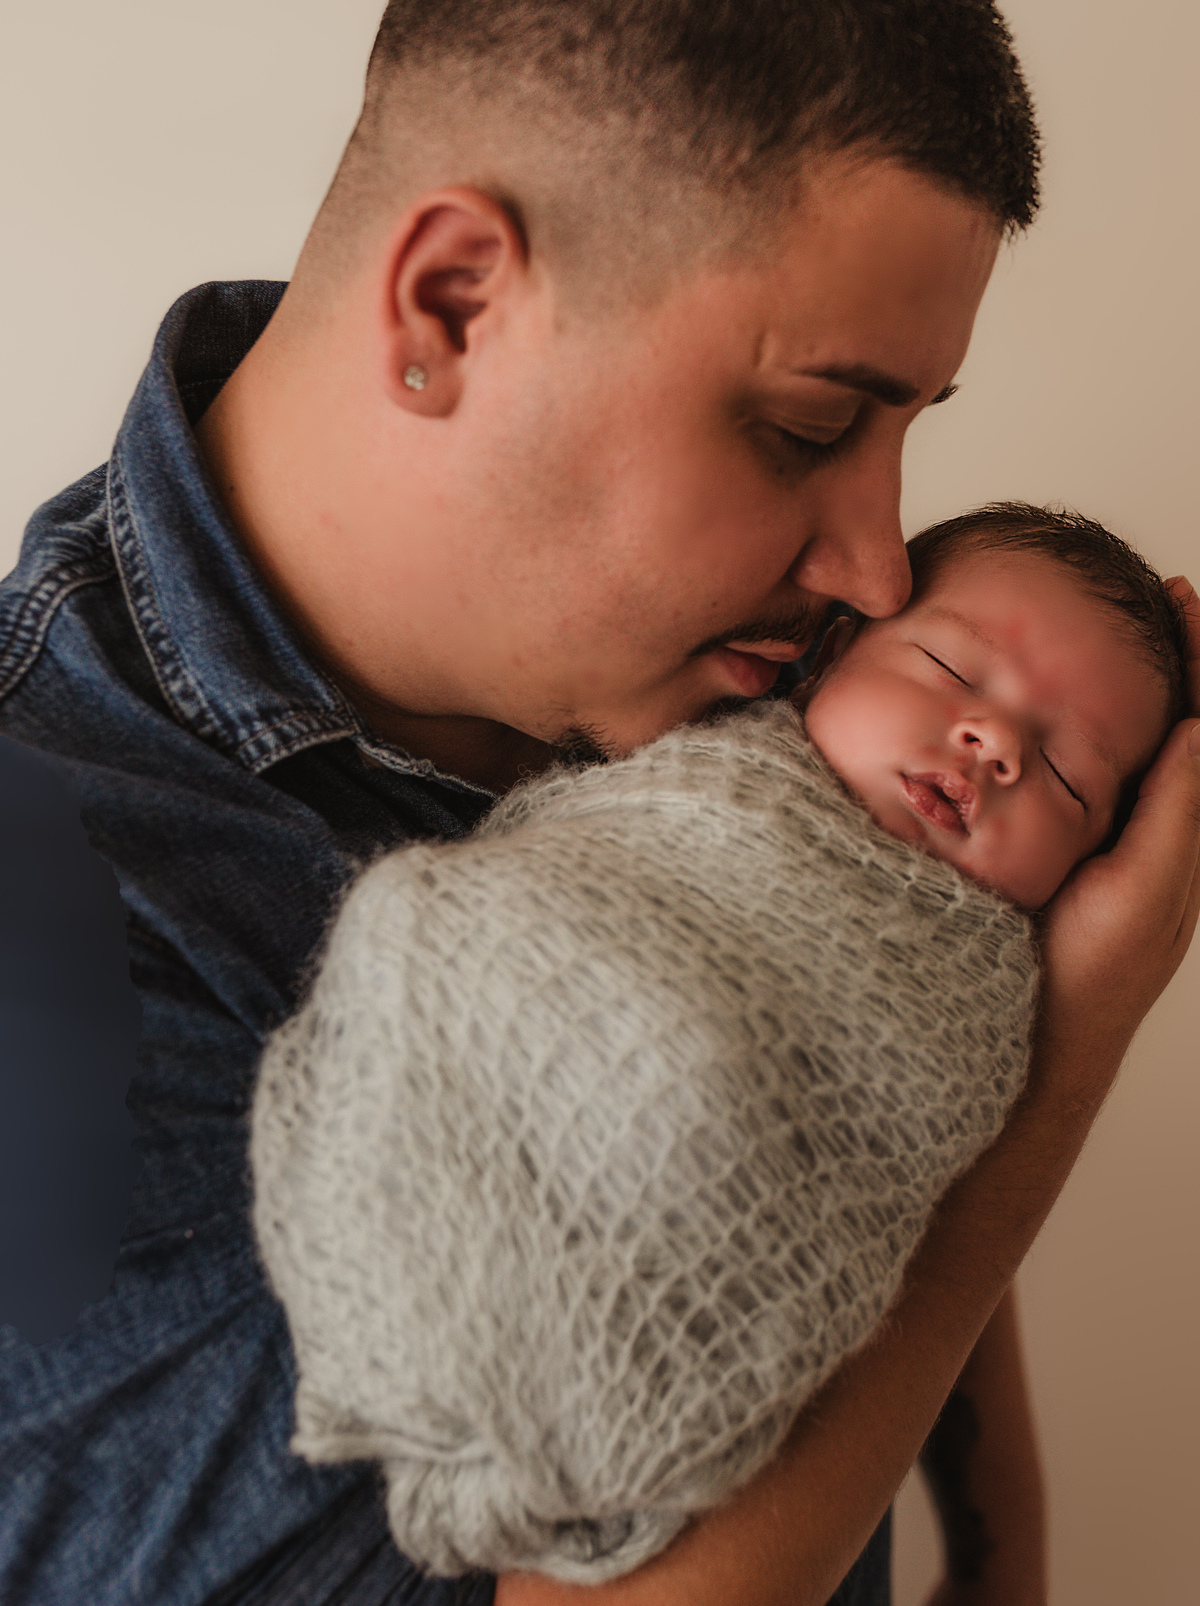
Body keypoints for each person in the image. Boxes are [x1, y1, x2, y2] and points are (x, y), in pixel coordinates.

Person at [0, 0, 1196, 1604]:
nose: (881, 565)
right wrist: (1073, 1048)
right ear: (452, 300)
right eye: (808, 426)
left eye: (904, 430)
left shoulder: (714, 647)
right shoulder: (54, 934)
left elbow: (865, 1083)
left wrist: (1007, 1546)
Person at [247, 504, 1186, 1589]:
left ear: (1091, 863)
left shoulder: (994, 981)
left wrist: (999, 1557)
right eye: (952, 670)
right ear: (830, 654)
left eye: (1069, 776)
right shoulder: (682, 747)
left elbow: (910, 1169)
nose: (998, 744)